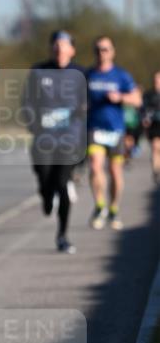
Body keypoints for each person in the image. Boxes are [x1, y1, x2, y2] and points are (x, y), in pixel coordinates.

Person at [23, 30, 87, 254]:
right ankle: (46, 197)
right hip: (43, 139)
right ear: (51, 49)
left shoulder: (81, 73)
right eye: (56, 46)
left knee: (63, 184)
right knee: (44, 179)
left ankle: (62, 235)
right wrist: (33, 122)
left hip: (70, 140)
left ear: (72, 49)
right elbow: (27, 101)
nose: (59, 50)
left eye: (64, 45)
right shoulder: (39, 71)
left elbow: (90, 102)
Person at [85, 37, 142, 229]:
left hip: (116, 130)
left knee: (115, 172)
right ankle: (100, 206)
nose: (102, 53)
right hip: (95, 129)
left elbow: (137, 99)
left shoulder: (121, 75)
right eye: (98, 49)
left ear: (112, 52)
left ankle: (114, 208)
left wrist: (121, 97)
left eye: (105, 49)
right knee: (95, 166)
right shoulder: (89, 75)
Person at [142, 70, 160, 186]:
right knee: (155, 147)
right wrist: (144, 119)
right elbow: (143, 109)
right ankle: (156, 171)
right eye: (156, 79)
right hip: (154, 124)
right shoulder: (148, 94)